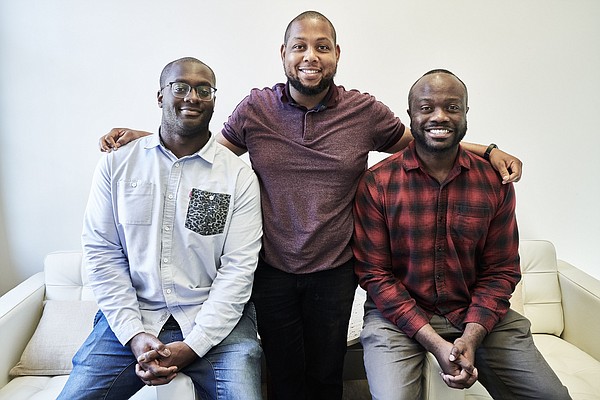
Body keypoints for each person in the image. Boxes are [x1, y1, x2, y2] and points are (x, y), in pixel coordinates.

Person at [98, 12, 523, 400]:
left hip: (336, 268)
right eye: (299, 46)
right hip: (273, 267)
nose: (310, 56)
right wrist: (153, 137)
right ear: (283, 54)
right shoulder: (257, 108)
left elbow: (426, 138)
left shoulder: (364, 111)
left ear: (337, 55)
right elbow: (209, 155)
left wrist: (487, 151)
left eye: (322, 47)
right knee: (282, 375)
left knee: (324, 376)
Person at [351, 69, 570, 400]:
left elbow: (501, 270)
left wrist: (470, 336)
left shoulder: (493, 182)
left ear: (465, 113)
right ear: (410, 115)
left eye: (452, 107)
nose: (440, 116)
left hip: (476, 312)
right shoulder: (377, 183)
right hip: (396, 318)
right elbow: (374, 274)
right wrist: (438, 344)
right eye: (426, 108)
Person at [58, 57, 263, 400]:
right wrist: (135, 335)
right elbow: (102, 253)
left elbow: (239, 270)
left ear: (214, 99)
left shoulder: (238, 177)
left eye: (204, 90)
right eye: (180, 87)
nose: (192, 97)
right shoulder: (118, 164)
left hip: (215, 324)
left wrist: (194, 345)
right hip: (133, 318)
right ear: (160, 96)